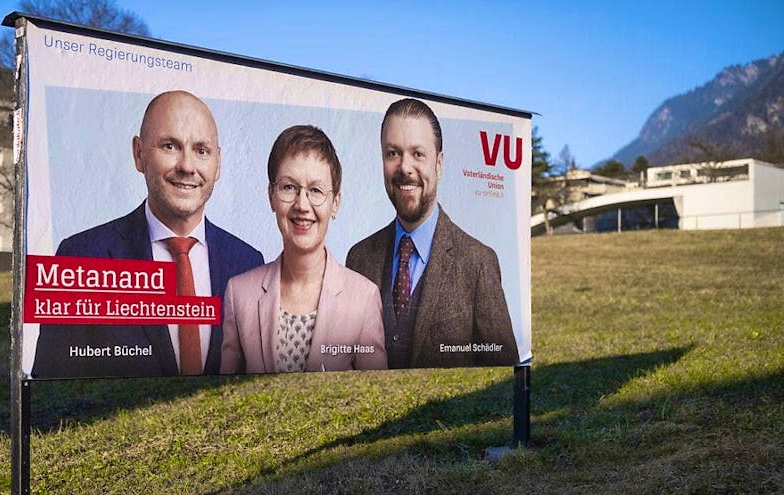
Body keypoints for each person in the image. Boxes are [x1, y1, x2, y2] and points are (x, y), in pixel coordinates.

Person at [32, 90, 263, 379]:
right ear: (139, 154)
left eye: (202, 151)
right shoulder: (80, 256)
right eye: (170, 146)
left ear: (218, 164)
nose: (187, 167)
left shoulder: (249, 264)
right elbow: (50, 393)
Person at [346, 98, 518, 368]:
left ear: (438, 163)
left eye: (418, 154)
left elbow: (504, 374)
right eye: (393, 153)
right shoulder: (358, 259)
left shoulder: (478, 262)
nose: (404, 167)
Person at [221, 125, 386, 374]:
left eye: (316, 191)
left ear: (335, 203)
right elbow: (223, 400)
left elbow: (378, 402)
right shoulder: (239, 294)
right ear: (271, 196)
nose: (302, 204)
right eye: (289, 187)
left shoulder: (364, 298)